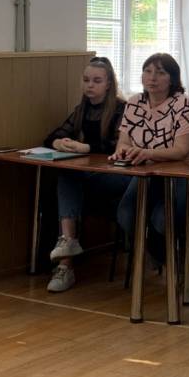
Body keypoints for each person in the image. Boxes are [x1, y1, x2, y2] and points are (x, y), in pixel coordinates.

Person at [113, 54, 189, 266]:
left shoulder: (182, 103)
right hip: (152, 171)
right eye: (147, 71)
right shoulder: (134, 103)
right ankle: (163, 257)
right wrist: (123, 152)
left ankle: (175, 263)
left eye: (160, 72)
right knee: (126, 214)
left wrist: (146, 153)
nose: (152, 77)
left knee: (162, 219)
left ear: (172, 78)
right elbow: (123, 142)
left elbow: (181, 151)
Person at [43, 57, 128, 293]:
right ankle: (67, 254)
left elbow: (118, 146)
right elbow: (51, 136)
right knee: (66, 176)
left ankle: (66, 257)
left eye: (97, 81)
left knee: (69, 179)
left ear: (109, 84)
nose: (90, 85)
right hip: (90, 176)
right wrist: (60, 142)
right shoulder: (82, 110)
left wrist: (87, 148)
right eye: (86, 80)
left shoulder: (122, 109)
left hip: (119, 178)